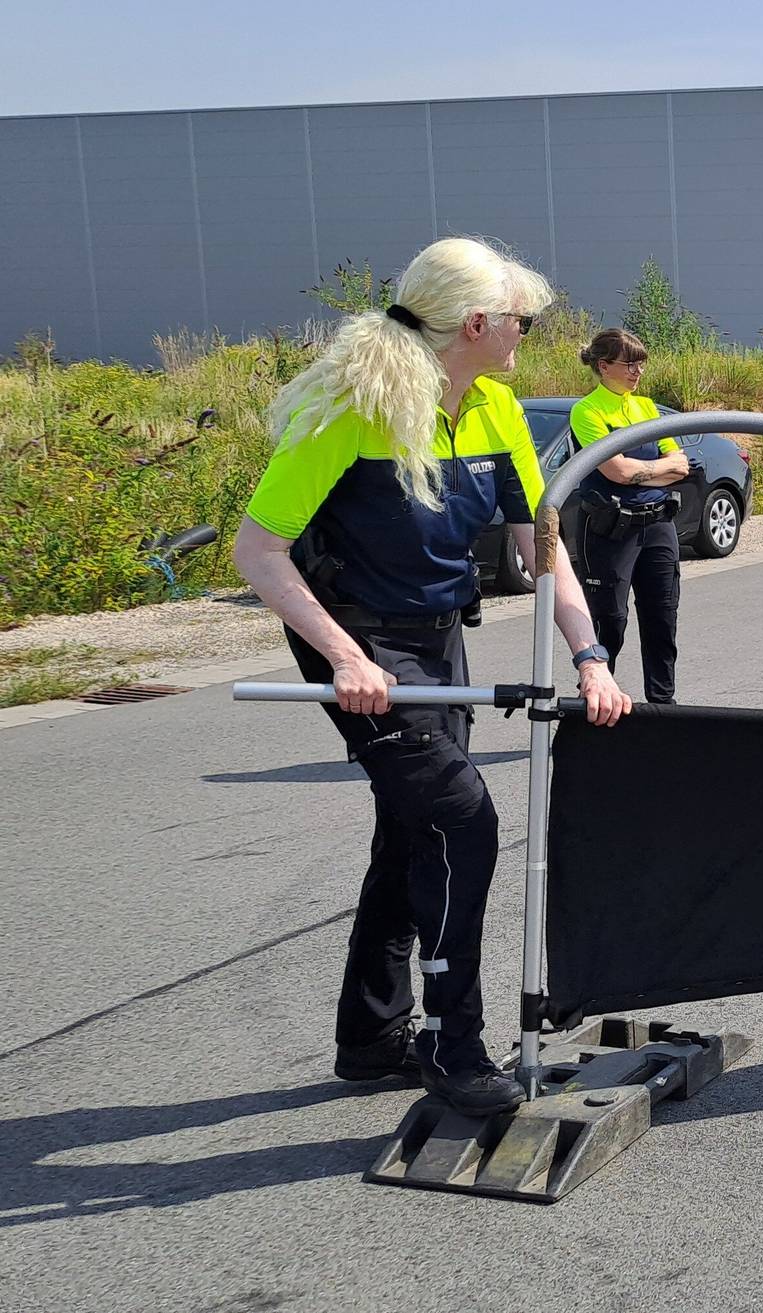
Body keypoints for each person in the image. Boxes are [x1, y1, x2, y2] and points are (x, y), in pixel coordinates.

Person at [233, 236, 631, 1117]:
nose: (530, 333)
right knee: (460, 819)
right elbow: (258, 552)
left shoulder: (493, 406)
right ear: (478, 323)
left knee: (412, 832)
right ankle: (455, 1046)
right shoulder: (352, 408)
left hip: (435, 636)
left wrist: (591, 655)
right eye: (521, 321)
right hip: (359, 640)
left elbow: (544, 553)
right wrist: (344, 657)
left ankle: (370, 1037)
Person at [571, 328, 690, 704]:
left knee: (662, 618)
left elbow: (681, 466)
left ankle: (663, 705)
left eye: (642, 364)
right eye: (630, 364)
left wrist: (640, 469)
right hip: (610, 529)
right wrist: (655, 467)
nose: (638, 371)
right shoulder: (587, 411)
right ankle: (598, 699)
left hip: (657, 523)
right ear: (604, 367)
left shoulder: (647, 408)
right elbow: (615, 473)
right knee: (611, 624)